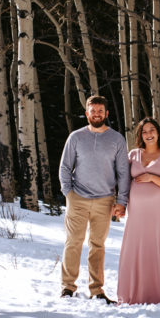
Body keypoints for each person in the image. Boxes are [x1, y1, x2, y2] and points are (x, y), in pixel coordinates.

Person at [58, 96, 130, 303]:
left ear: (106, 114)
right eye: (92, 110)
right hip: (77, 198)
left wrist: (122, 201)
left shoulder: (117, 139)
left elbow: (123, 173)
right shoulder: (76, 137)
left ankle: (97, 290)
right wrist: (68, 193)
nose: (96, 114)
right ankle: (67, 287)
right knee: (73, 242)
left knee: (97, 245)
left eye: (100, 110)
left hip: (105, 200)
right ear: (87, 113)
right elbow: (64, 167)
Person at [118, 117, 160, 305]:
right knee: (134, 250)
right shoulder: (133, 155)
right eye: (144, 131)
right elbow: (124, 181)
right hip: (136, 212)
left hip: (158, 214)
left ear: (158, 132)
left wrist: (152, 177)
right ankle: (131, 294)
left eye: (152, 130)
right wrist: (120, 204)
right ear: (140, 135)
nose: (148, 134)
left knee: (157, 249)